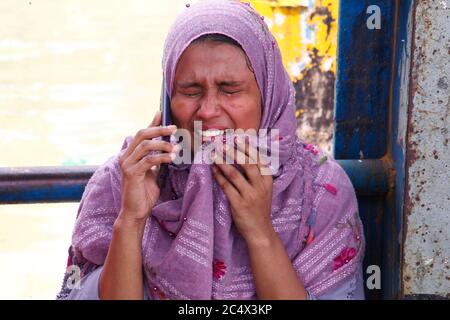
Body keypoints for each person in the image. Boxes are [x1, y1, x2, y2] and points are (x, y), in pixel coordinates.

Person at [57, 0, 365, 300]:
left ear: (268, 94)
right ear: (167, 99)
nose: (207, 110)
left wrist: (259, 231)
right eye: (190, 91)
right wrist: (131, 219)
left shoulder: (318, 188)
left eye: (230, 89)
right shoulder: (127, 178)